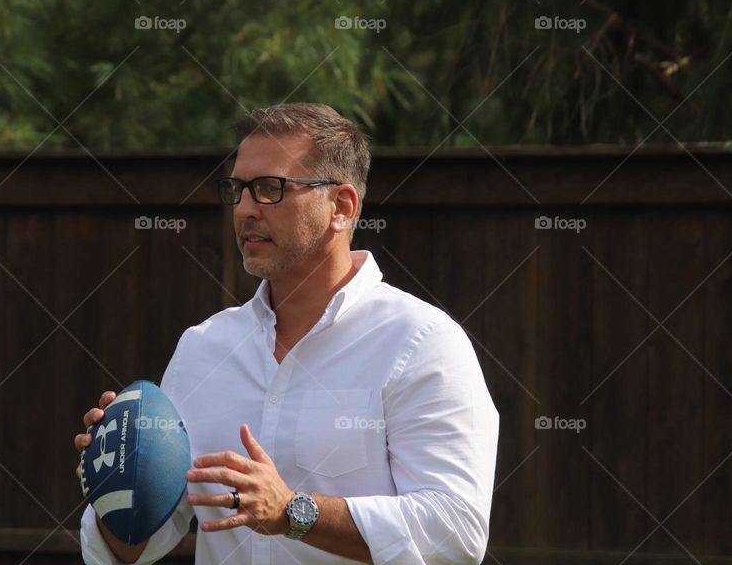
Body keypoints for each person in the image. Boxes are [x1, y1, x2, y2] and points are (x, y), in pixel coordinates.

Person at [75, 103, 500, 564]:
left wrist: (293, 512)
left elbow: (455, 532)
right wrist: (114, 482)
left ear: (341, 207)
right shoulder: (203, 348)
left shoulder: (421, 342)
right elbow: (140, 545)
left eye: (269, 189)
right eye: (237, 189)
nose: (244, 209)